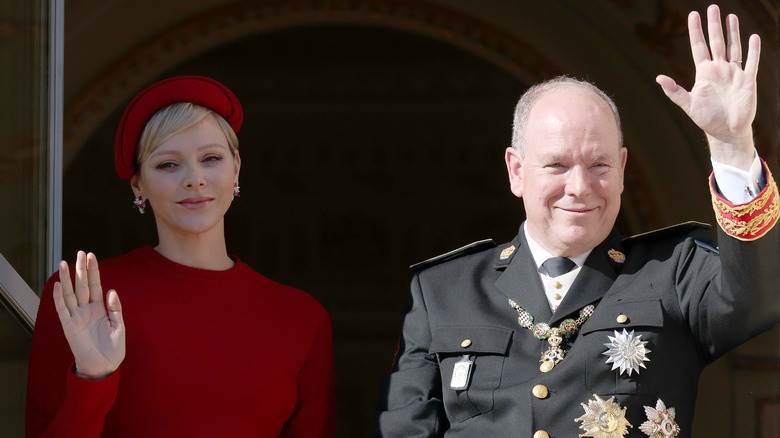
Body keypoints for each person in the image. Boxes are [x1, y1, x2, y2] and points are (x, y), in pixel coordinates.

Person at [376, 5, 778, 438]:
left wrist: (732, 145)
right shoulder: (442, 292)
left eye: (599, 165)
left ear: (623, 168)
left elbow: (759, 296)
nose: (580, 186)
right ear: (516, 171)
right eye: (557, 165)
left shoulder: (675, 275)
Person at [26, 76, 335, 437]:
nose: (194, 178)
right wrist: (93, 377)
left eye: (211, 158)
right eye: (168, 164)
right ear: (138, 184)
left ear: (235, 167)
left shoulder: (300, 317)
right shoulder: (85, 299)